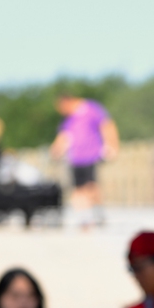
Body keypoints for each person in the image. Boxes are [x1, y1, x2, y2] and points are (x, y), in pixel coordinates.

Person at [50, 94, 118, 228]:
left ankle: (97, 212)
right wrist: (55, 150)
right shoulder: (69, 119)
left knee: (91, 186)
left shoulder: (91, 109)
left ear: (68, 101)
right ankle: (83, 217)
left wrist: (112, 145)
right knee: (78, 188)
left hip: (91, 155)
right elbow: (64, 136)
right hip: (75, 158)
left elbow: (107, 125)